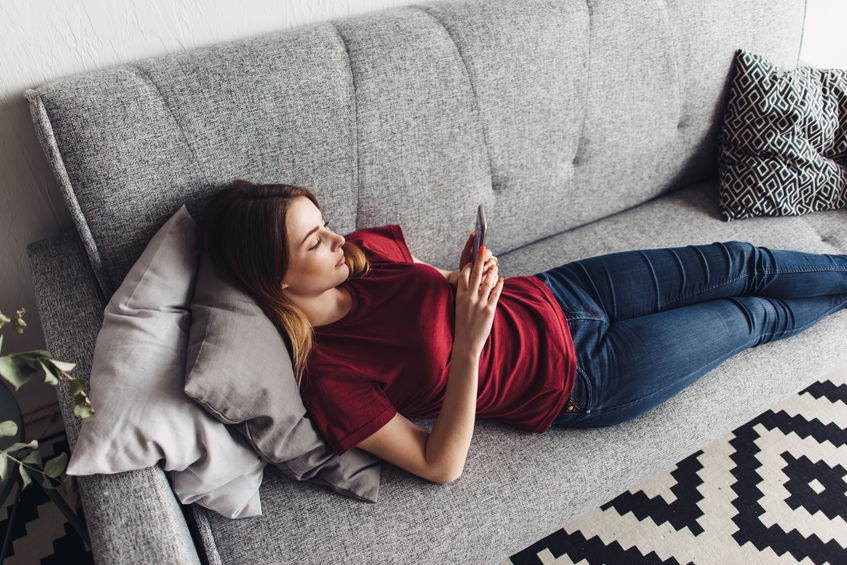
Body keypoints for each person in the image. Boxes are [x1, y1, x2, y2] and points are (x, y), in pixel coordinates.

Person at [202, 180, 847, 485]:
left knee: (742, 260)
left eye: (325, 223)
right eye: (315, 241)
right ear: (278, 280)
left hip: (562, 292)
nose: (338, 238)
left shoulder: (364, 255)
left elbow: (436, 288)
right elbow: (440, 465)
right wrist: (472, 343)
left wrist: (464, 281)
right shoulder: (329, 374)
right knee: (754, 315)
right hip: (584, 377)